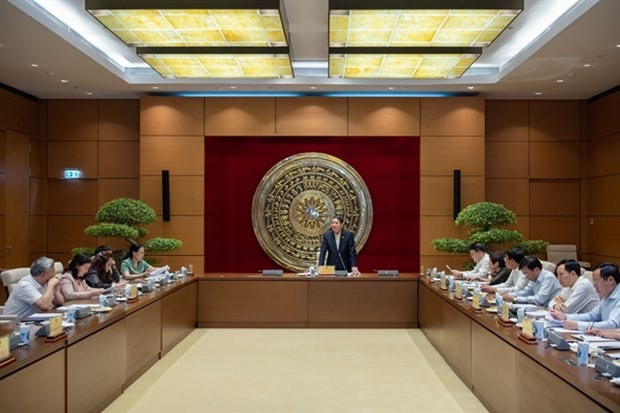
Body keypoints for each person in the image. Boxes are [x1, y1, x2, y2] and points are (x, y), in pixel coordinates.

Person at [550, 263, 620, 332]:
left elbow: (612, 325)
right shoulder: (607, 295)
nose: (594, 286)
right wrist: (565, 317)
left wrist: (577, 325)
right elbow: (592, 316)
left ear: (610, 280)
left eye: (596, 281)